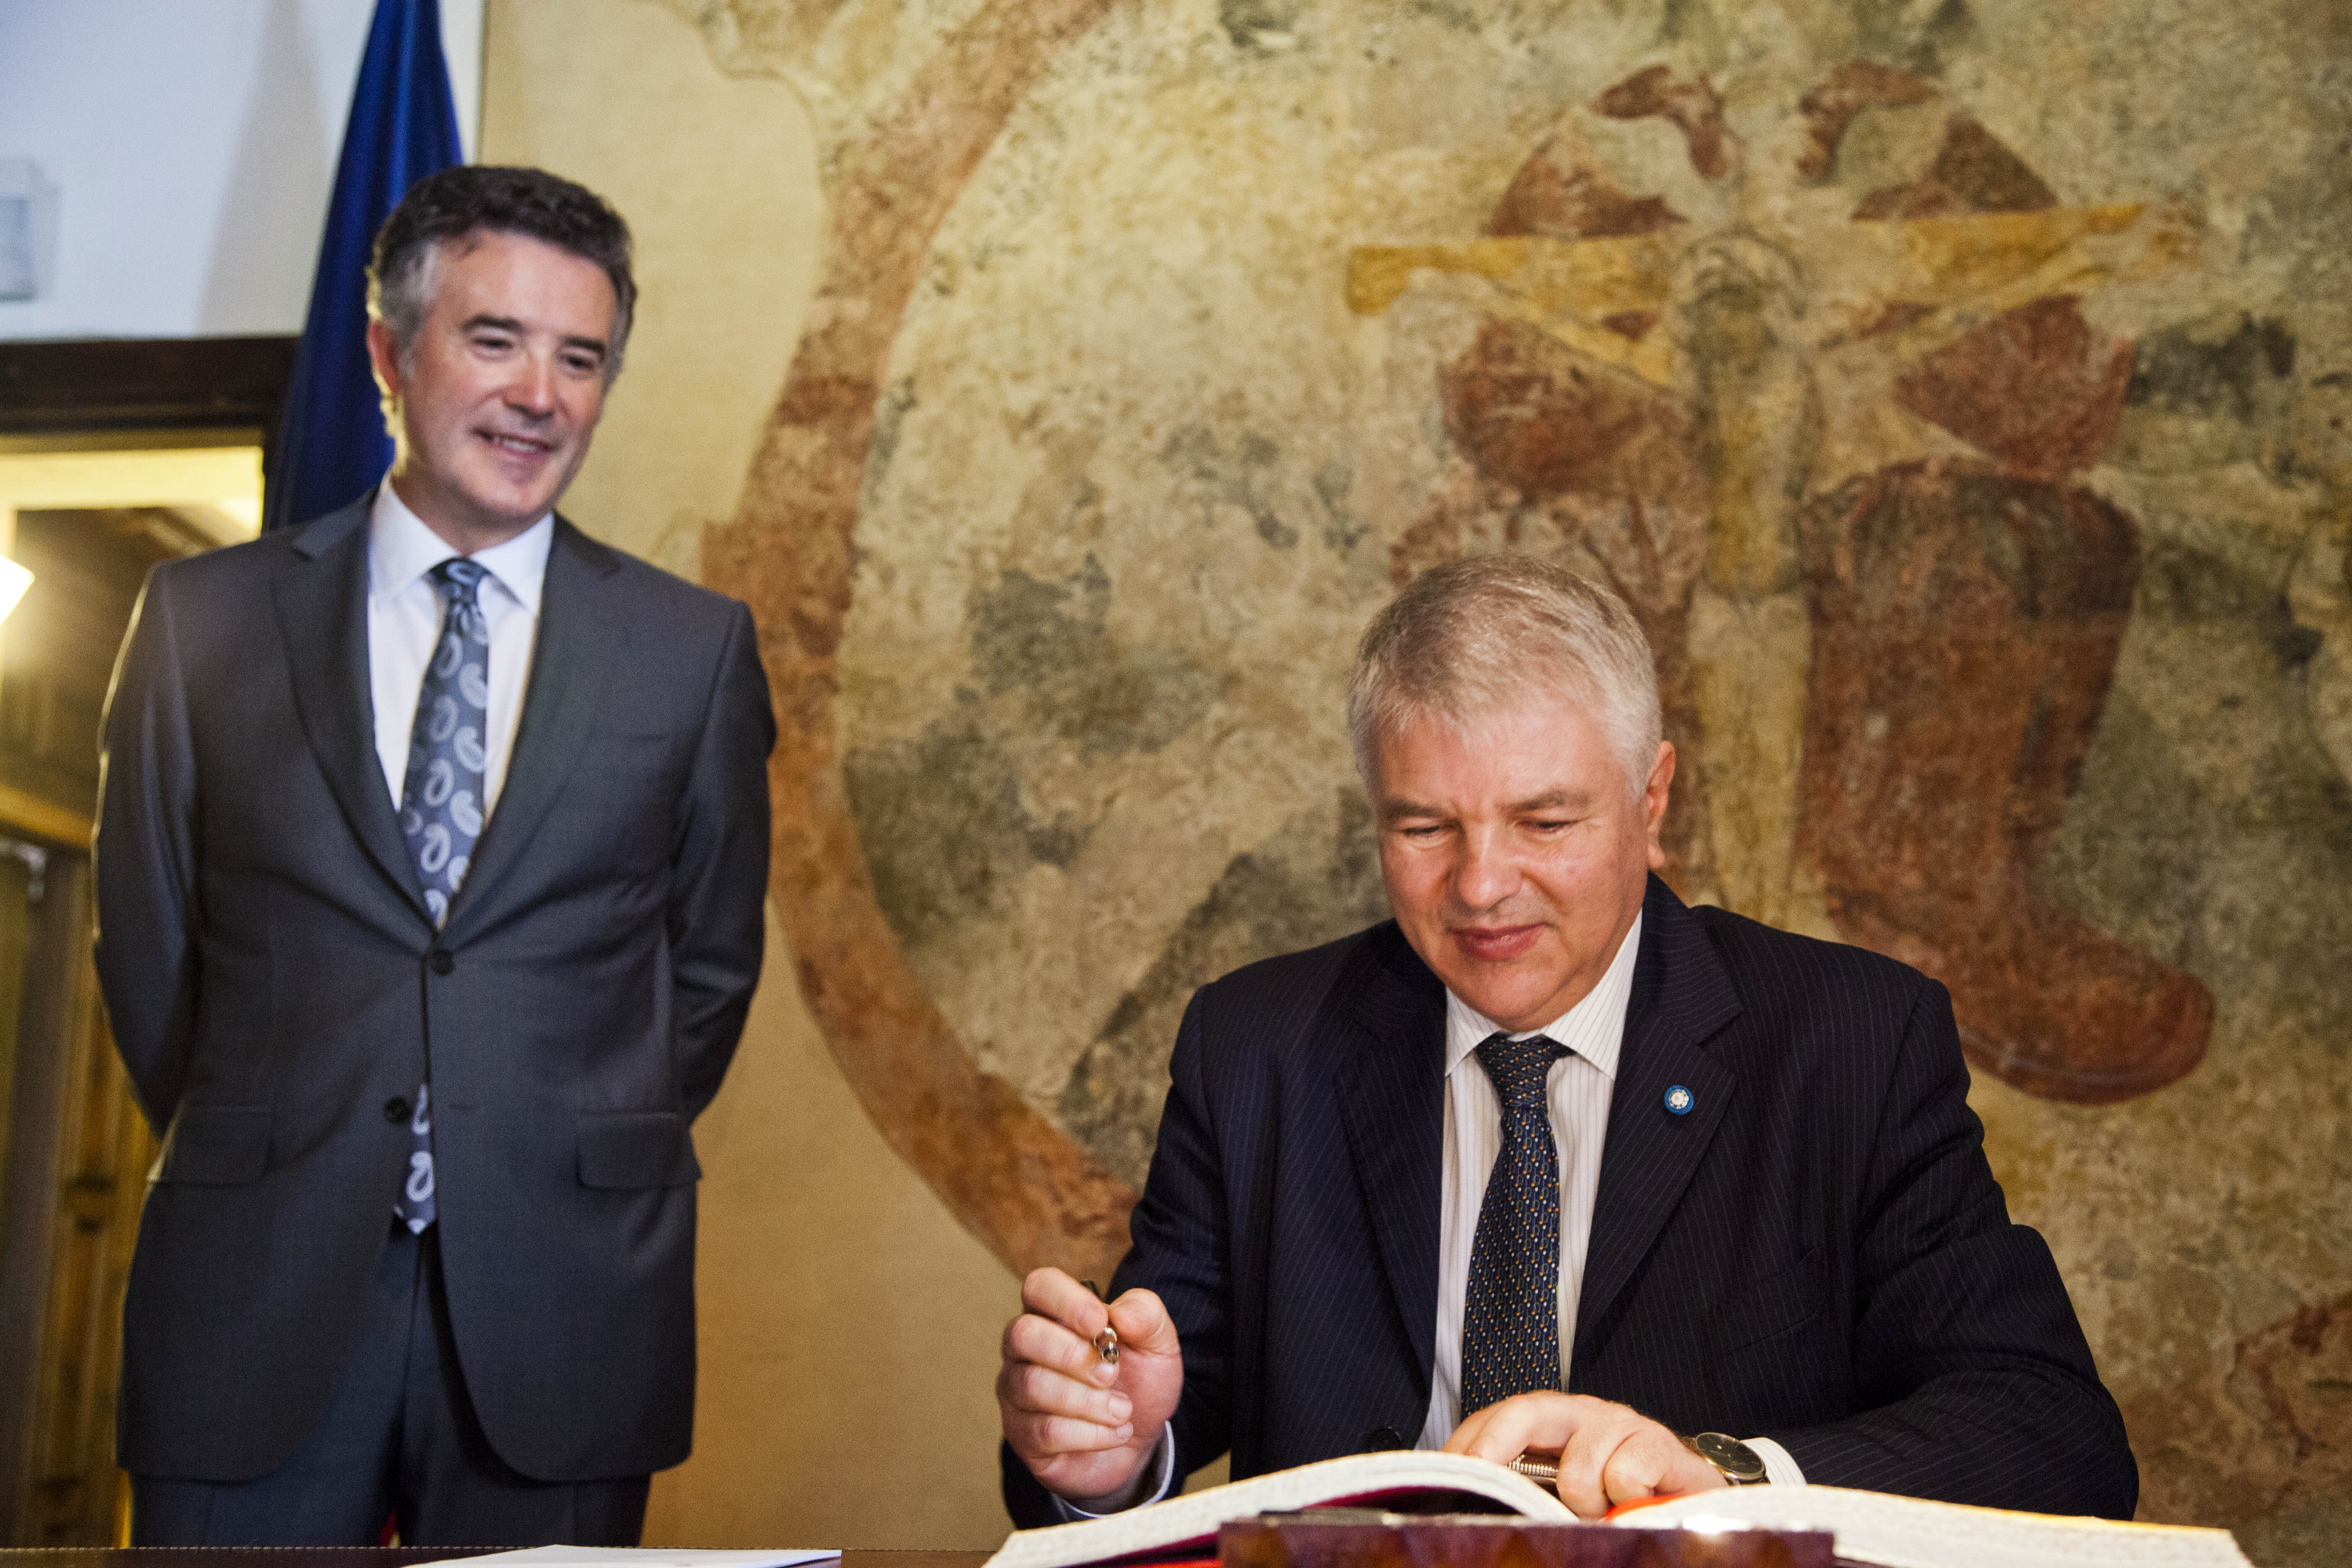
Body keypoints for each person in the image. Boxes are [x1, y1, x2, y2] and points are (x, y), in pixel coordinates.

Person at [997, 554, 2136, 1524]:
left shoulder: (1850, 1041)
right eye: (1425, 827)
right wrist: (1107, 1450)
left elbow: (2054, 1434)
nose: (1481, 886)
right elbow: (1152, 1395)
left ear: (1653, 800)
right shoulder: (1256, 1047)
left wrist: (1727, 1478)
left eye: (1544, 821)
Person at [94, 165, 774, 1546]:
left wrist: (541, 1135)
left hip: (568, 1305)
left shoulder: (691, 653)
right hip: (252, 1292)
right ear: (388, 354)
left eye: (580, 357)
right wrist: (279, 1136)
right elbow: (149, 956)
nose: (541, 395)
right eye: (496, 340)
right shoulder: (201, 622)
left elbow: (706, 974)